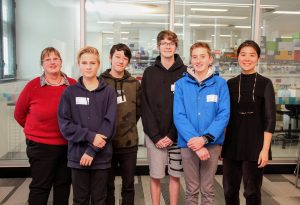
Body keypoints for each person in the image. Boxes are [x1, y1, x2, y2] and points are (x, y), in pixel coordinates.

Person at [14, 47, 76, 205]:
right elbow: (19, 114)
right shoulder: (32, 86)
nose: (52, 62)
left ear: (61, 62)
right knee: (40, 187)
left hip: (68, 145)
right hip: (41, 146)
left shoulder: (73, 85)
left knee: (63, 186)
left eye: (56, 59)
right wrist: (36, 131)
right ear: (42, 64)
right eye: (48, 59)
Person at [57, 46, 117, 205]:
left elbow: (109, 125)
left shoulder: (109, 92)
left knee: (99, 199)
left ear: (98, 65)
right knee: (80, 199)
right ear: (79, 65)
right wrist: (90, 137)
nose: (88, 66)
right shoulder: (69, 92)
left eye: (92, 62)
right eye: (84, 63)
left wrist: (91, 150)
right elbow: (65, 125)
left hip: (101, 156)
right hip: (77, 156)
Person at [173, 42, 230, 205]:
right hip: (188, 144)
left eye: (202, 56)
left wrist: (204, 139)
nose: (198, 61)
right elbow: (179, 116)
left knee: (208, 189)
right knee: (191, 189)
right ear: (190, 60)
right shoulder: (181, 84)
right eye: (194, 57)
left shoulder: (220, 84)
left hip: (212, 144)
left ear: (210, 59)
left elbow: (223, 115)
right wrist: (196, 142)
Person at [221, 40, 276, 205]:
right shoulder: (229, 84)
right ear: (237, 57)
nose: (247, 59)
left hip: (255, 145)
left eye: (252, 55)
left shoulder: (265, 83)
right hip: (232, 143)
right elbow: (224, 116)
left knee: (252, 192)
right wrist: (222, 145)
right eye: (243, 54)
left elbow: (270, 118)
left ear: (258, 58)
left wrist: (265, 150)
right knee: (229, 190)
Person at [141, 30, 186, 205]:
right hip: (155, 136)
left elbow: (186, 107)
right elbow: (145, 106)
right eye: (164, 43)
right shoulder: (149, 72)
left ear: (175, 46)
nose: (167, 46)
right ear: (158, 46)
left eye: (171, 43)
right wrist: (156, 136)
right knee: (156, 175)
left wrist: (172, 135)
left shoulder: (185, 72)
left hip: (178, 134)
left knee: (175, 175)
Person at [100, 43, 141, 205]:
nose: (121, 61)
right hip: (105, 143)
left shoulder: (134, 83)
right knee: (107, 185)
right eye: (117, 57)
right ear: (110, 58)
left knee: (129, 185)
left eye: (125, 58)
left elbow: (138, 110)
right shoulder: (101, 82)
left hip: (129, 142)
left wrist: (127, 125)